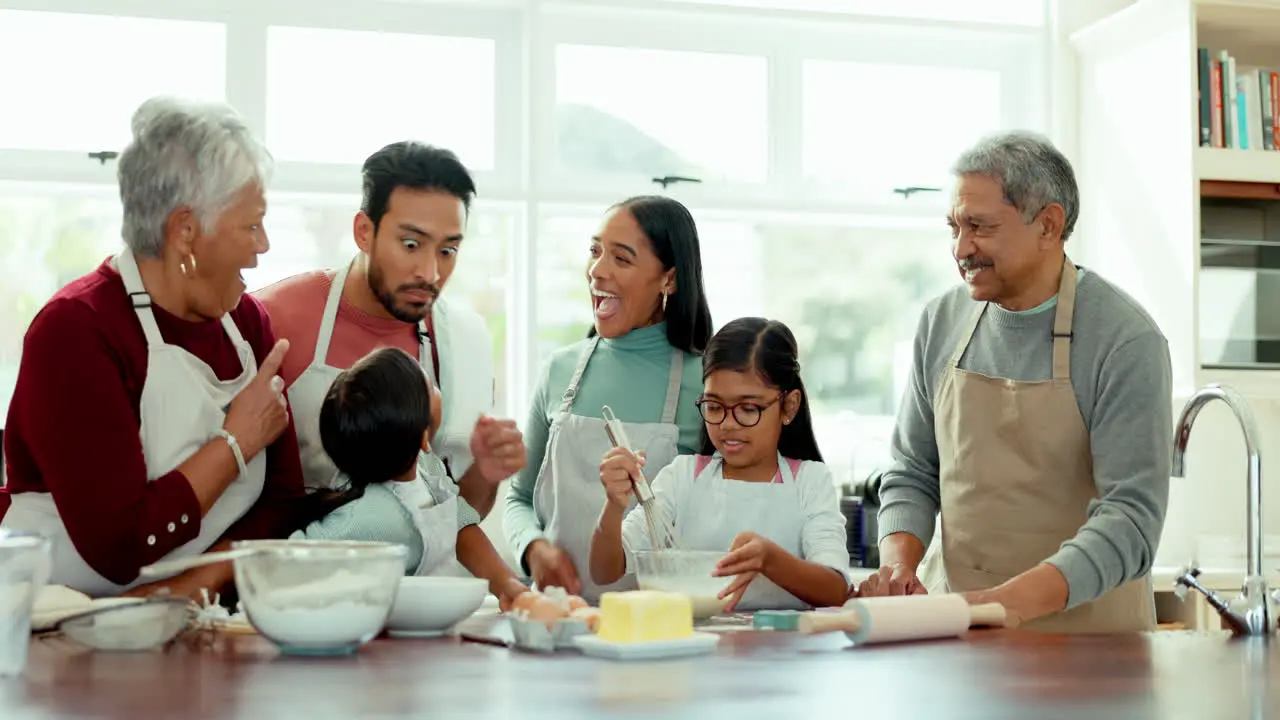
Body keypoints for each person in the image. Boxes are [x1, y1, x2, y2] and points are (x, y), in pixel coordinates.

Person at [856, 131, 1173, 633]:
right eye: (955, 227)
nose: (962, 248)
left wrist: (1008, 602)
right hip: (960, 631)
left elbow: (1131, 520)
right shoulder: (941, 321)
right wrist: (898, 565)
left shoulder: (1124, 340)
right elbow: (913, 471)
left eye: (979, 227)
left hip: (1092, 648)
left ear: (1048, 224)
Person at [0, 96, 307, 599]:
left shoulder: (247, 323)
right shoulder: (76, 332)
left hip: (196, 615)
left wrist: (193, 587)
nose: (264, 245)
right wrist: (236, 441)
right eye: (251, 225)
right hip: (61, 629)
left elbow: (284, 502)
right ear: (185, 232)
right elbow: (120, 546)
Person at [255, 141, 527, 601]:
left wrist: (487, 470)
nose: (430, 272)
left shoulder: (464, 341)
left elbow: (451, 513)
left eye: (448, 250)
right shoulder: (276, 319)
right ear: (364, 231)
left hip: (425, 610)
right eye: (410, 244)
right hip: (305, 596)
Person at [504, 195, 714, 603]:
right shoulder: (559, 371)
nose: (597, 270)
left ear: (668, 279)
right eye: (595, 252)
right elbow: (518, 498)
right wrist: (533, 550)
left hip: (655, 623)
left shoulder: (705, 384)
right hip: (558, 617)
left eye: (621, 258)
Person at [589, 317, 850, 612]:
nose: (727, 424)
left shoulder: (810, 482)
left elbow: (836, 589)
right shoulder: (683, 477)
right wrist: (613, 505)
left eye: (748, 409)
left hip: (785, 654)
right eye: (714, 407)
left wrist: (770, 559)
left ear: (788, 406)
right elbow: (604, 571)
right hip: (696, 649)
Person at [290, 347, 525, 603]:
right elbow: (289, 564)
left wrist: (508, 586)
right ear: (423, 436)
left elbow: (460, 525)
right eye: (430, 385)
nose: (438, 388)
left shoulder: (427, 466)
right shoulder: (368, 517)